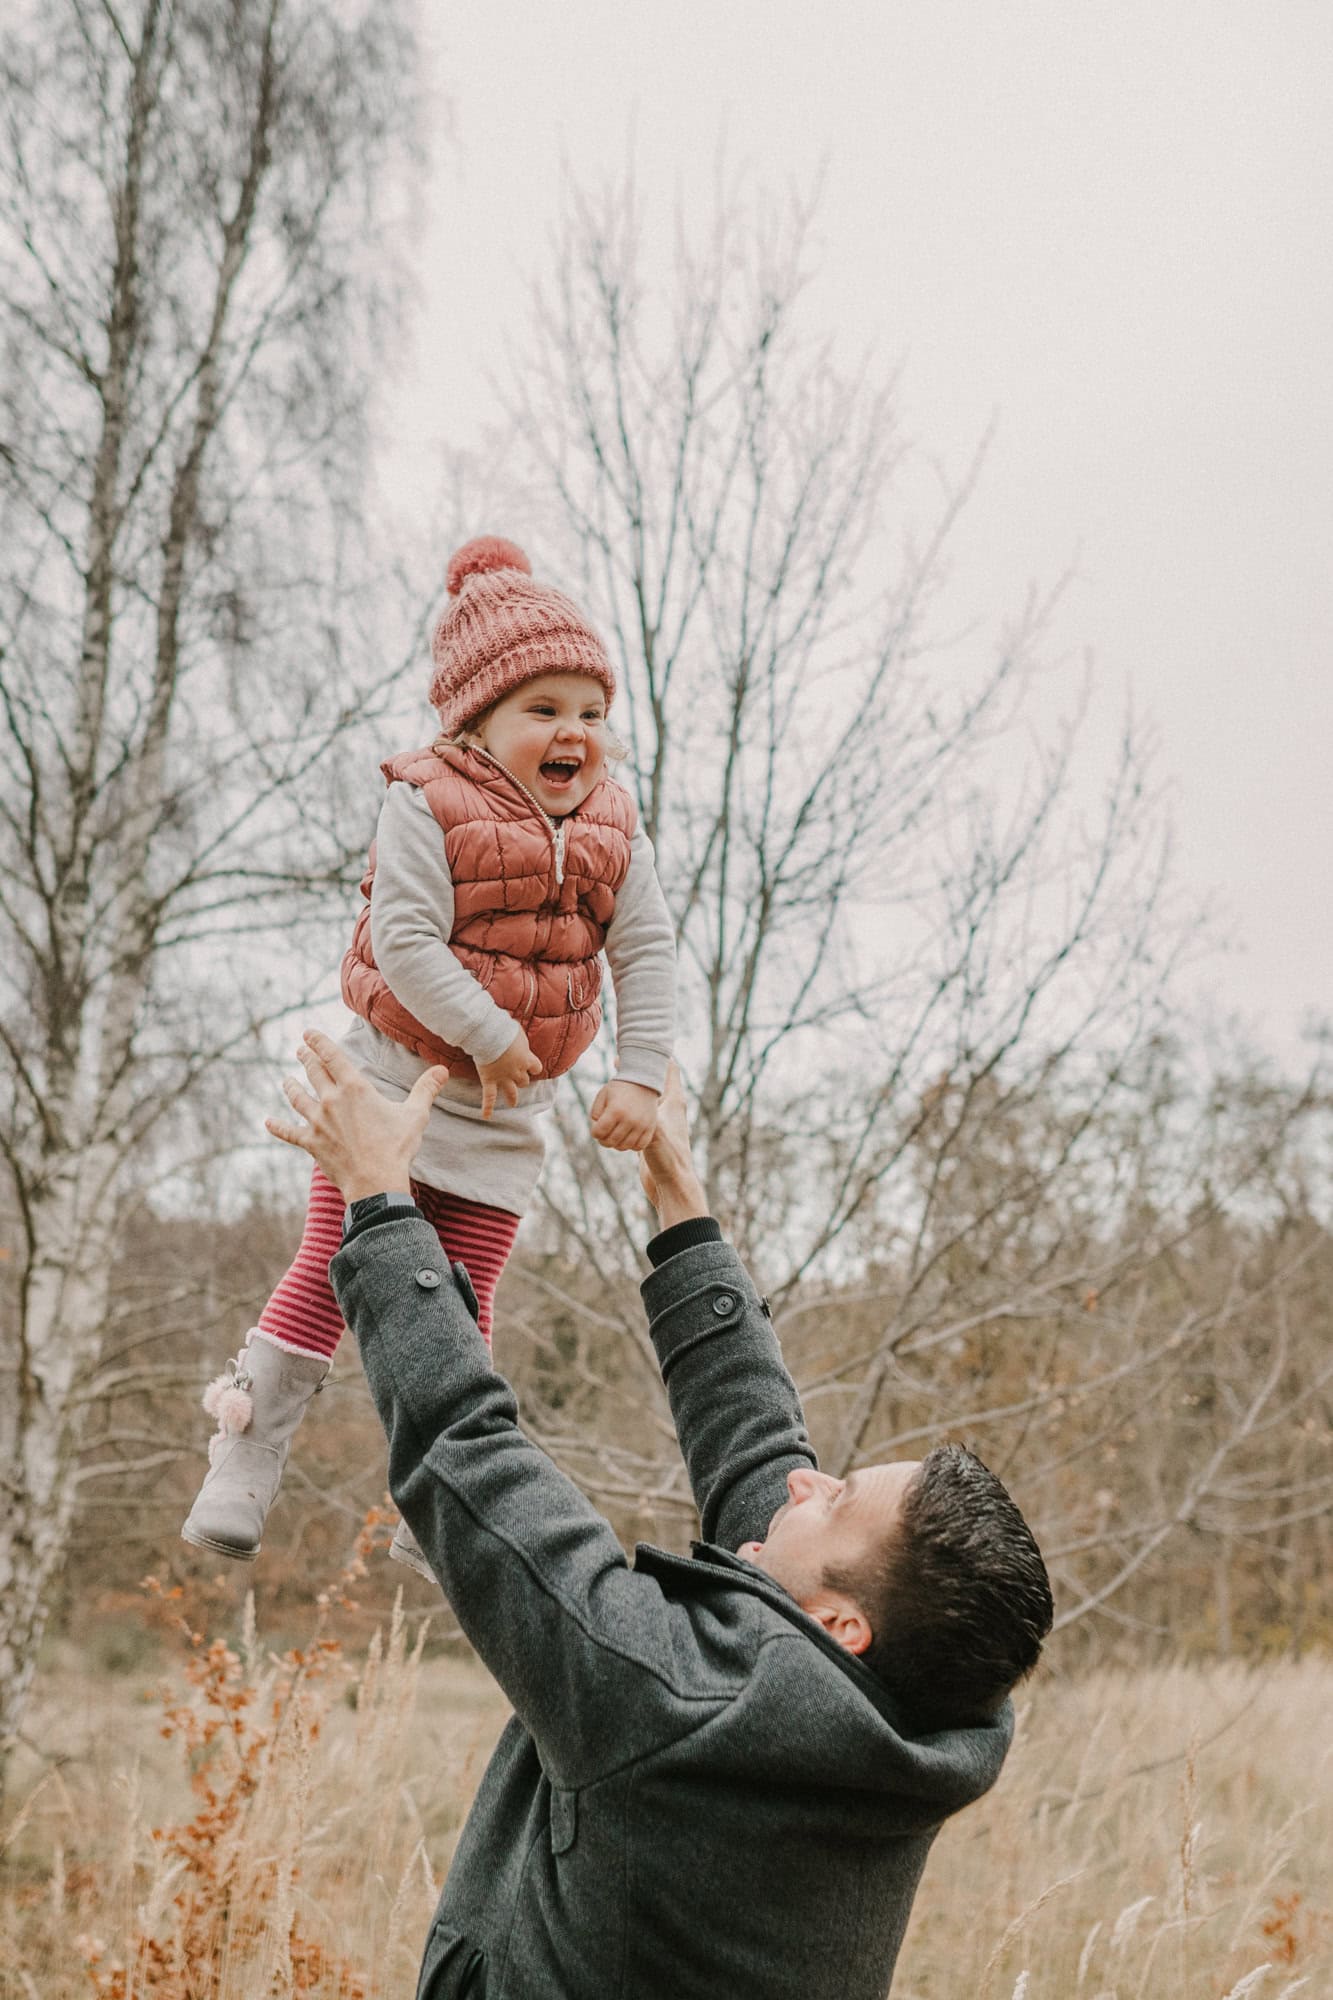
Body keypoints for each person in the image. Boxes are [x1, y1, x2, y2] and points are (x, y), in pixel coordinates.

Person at [268, 1030, 1055, 2000]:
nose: (806, 1483)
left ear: (840, 1625)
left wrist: (381, 1205)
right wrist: (681, 1201)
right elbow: (758, 1448)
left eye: (838, 1499)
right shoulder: (914, 1715)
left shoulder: (672, 1698)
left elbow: (467, 1454)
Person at [182, 537, 675, 1574]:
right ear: (476, 720)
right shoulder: (425, 798)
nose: (574, 732)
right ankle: (246, 1452)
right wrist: (492, 1036)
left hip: (503, 1111)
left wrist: (639, 1072)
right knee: (333, 1270)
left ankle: (448, 1487)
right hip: (394, 1081)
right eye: (544, 708)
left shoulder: (614, 826)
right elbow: (404, 940)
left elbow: (645, 949)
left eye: (592, 712)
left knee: (462, 1299)